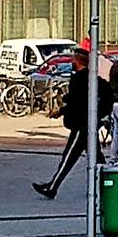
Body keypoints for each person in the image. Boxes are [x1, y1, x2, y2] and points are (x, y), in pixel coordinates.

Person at [31, 48, 93, 199]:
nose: (71, 62)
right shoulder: (88, 77)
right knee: (96, 159)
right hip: (86, 124)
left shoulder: (81, 79)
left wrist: (63, 106)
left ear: (78, 62)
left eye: (73, 60)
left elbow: (76, 101)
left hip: (81, 125)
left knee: (69, 158)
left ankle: (52, 188)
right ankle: (106, 185)